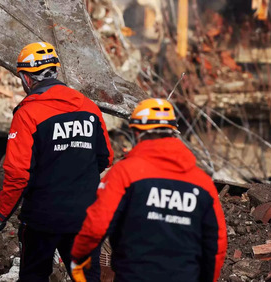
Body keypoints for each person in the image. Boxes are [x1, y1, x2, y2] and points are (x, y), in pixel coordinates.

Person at [0, 42, 112, 281]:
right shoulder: (89, 107)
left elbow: (17, 175)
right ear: (56, 72)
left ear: (26, 78)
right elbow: (105, 157)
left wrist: (0, 218)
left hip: (42, 218)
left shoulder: (28, 113)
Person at [70, 98, 227, 282]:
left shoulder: (124, 173)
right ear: (173, 132)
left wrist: (78, 257)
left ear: (137, 133)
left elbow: (97, 226)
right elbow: (217, 243)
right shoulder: (202, 182)